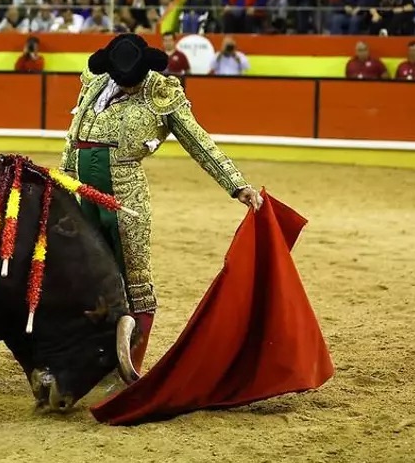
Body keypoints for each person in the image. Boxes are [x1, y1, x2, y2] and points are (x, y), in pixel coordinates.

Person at [60, 33, 263, 378]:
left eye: (132, 81)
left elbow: (198, 142)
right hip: (83, 192)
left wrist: (236, 184)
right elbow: (74, 136)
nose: (126, 87)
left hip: (126, 196)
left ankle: (131, 367)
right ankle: (97, 359)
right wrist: (64, 179)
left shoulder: (162, 92)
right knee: (88, 275)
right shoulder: (96, 82)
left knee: (135, 279)